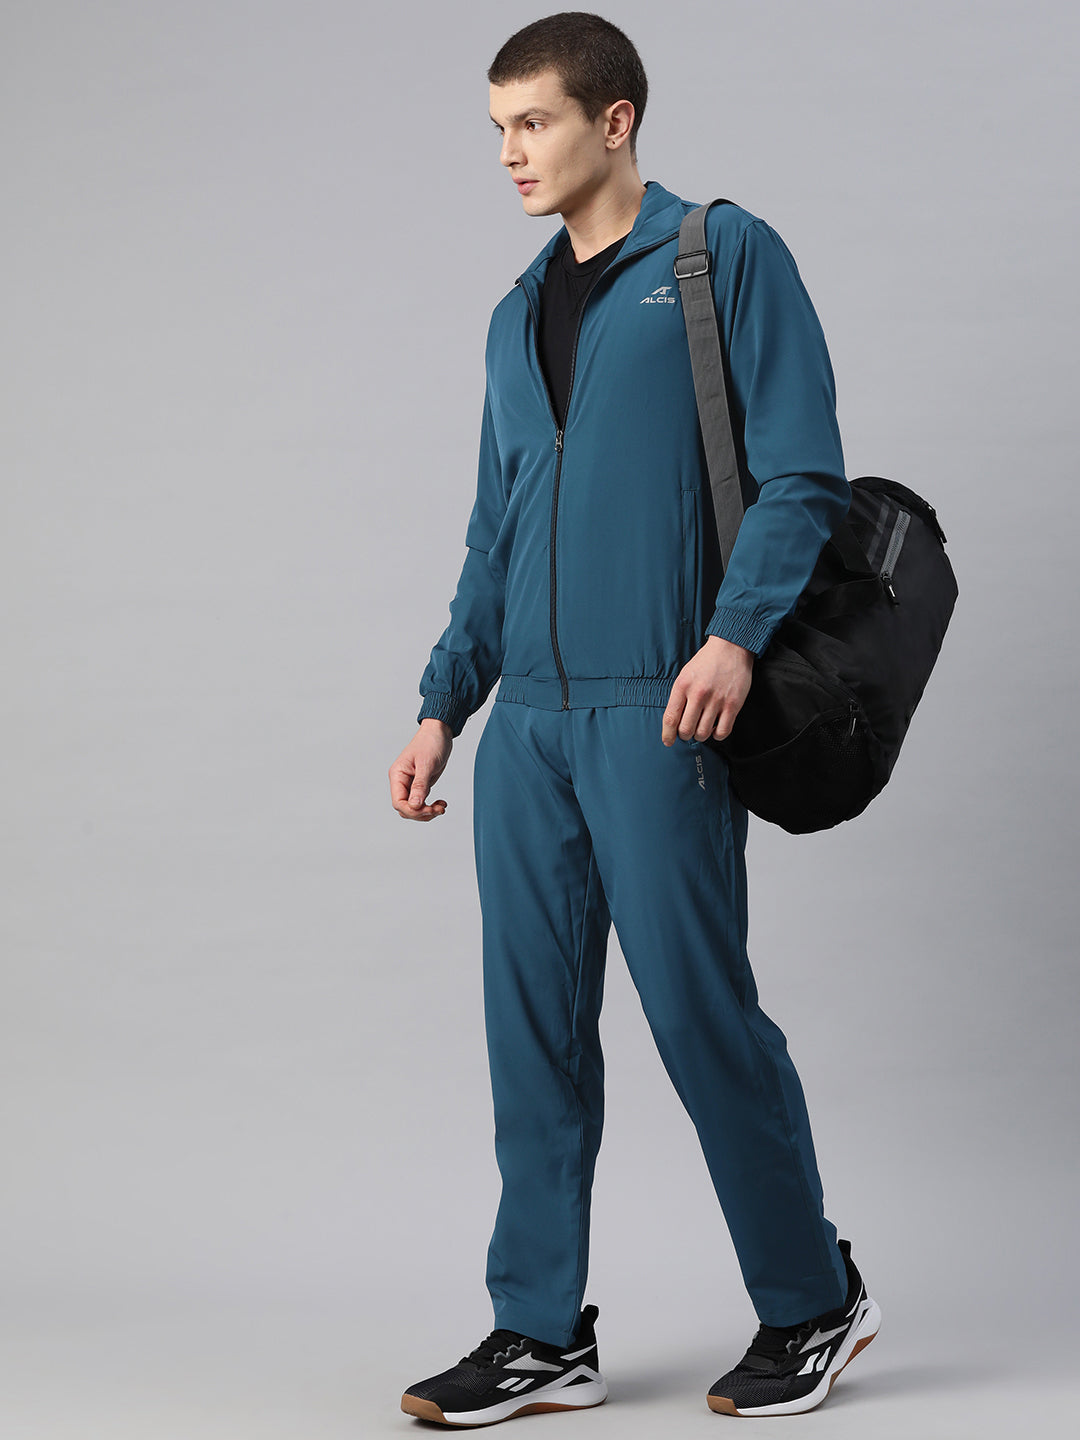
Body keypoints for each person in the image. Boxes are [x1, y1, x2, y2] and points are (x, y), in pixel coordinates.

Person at [387, 11, 880, 1425]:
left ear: (615, 121)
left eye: (532, 122)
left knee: (699, 1013)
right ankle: (538, 1329)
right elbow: (495, 531)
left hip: (660, 711)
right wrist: (444, 702)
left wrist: (734, 635)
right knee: (531, 1036)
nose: (510, 153)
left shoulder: (721, 257)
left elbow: (803, 472)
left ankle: (815, 1299)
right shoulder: (513, 314)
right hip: (528, 734)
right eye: (497, 130)